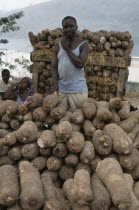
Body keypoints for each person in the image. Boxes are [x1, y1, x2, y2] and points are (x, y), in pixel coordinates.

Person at [51, 16, 89, 111]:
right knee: (60, 120)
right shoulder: (57, 47)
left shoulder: (83, 45)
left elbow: (80, 64)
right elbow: (54, 67)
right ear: (62, 29)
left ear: (76, 27)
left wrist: (67, 49)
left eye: (71, 26)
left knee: (78, 120)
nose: (68, 29)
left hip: (78, 92)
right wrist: (55, 84)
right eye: (65, 27)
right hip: (62, 91)